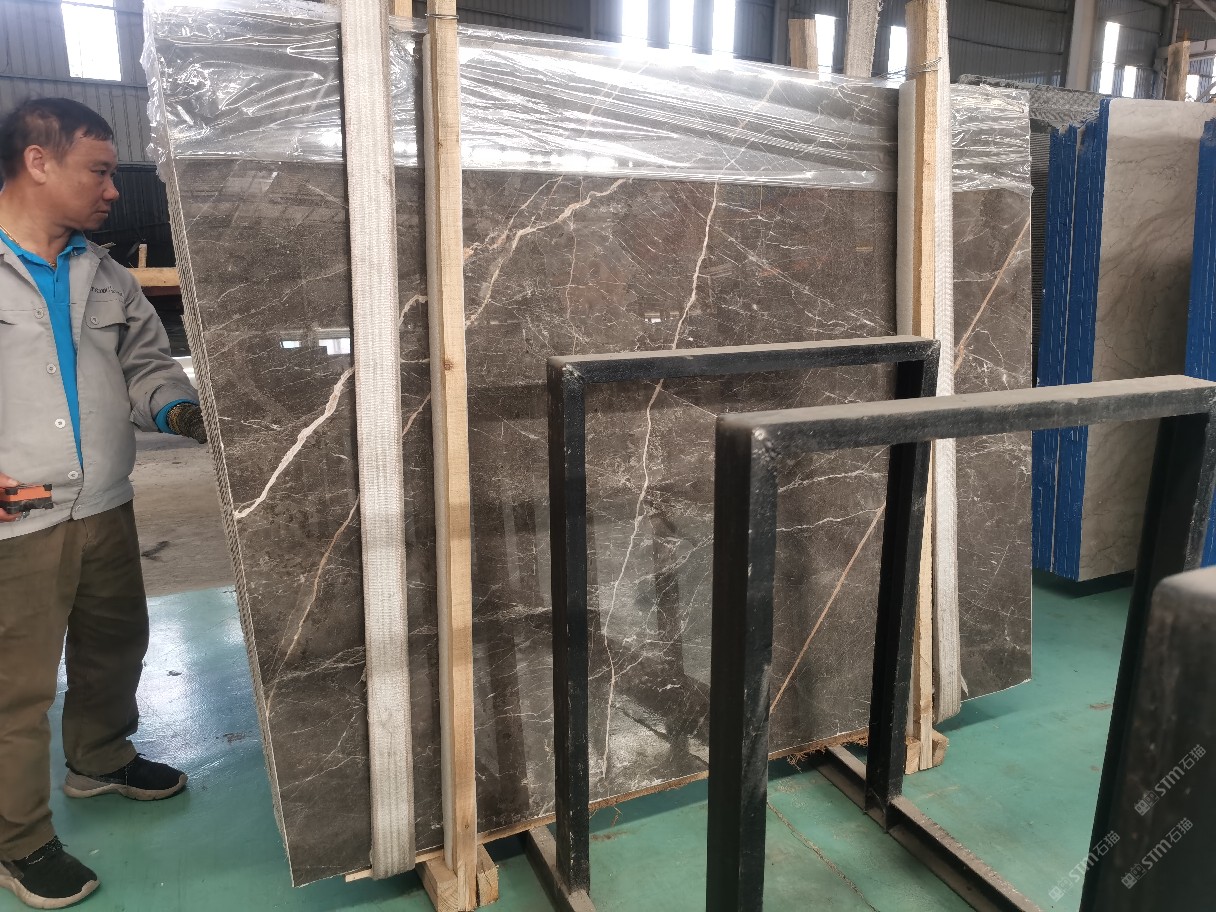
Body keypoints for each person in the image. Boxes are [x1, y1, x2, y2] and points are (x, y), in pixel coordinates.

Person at [0, 98, 208, 909]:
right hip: (16, 521)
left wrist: (179, 411)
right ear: (37, 161)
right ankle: (18, 841)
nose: (114, 189)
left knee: (114, 646)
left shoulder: (104, 275)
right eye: (99, 171)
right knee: (15, 689)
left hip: (104, 505)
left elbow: (147, 366)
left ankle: (98, 757)